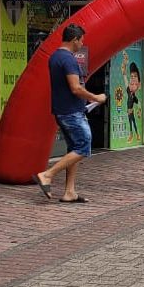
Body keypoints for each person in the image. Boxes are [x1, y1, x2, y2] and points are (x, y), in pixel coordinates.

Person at [32, 24, 107, 203]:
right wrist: (95, 97)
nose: (82, 44)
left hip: (63, 110)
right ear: (74, 40)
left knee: (74, 148)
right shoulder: (68, 59)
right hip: (72, 112)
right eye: (81, 41)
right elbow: (75, 88)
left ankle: (69, 192)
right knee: (83, 146)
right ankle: (47, 175)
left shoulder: (55, 57)